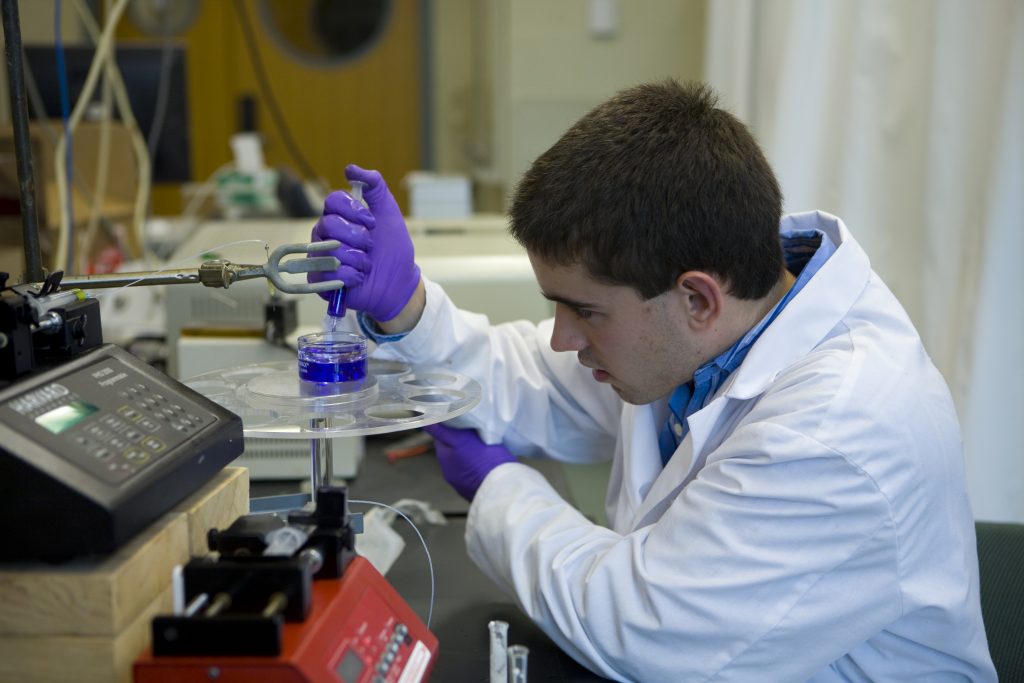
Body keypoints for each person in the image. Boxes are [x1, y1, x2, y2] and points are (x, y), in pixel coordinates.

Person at [308, 80, 996, 682]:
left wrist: (499, 489)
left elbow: (643, 624)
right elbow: (536, 385)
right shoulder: (713, 323)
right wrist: (408, 308)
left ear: (697, 299)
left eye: (585, 311)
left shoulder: (841, 426)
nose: (562, 336)